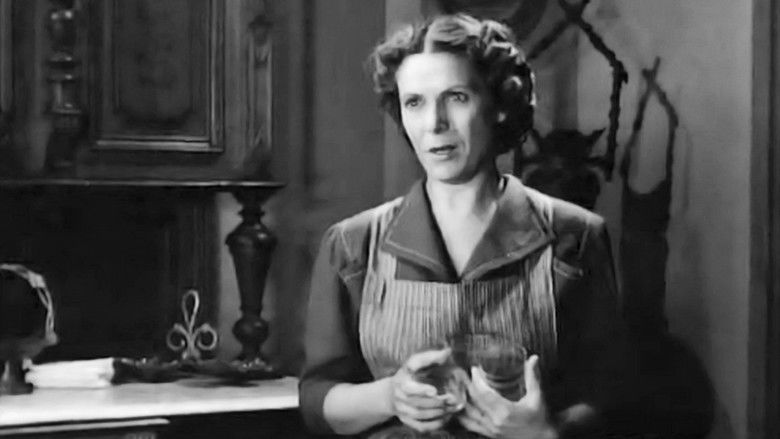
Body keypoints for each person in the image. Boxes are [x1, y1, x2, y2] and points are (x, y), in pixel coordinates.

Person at [299, 13, 628, 438]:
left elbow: (609, 396)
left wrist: (546, 433)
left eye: (455, 97)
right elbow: (318, 399)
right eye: (414, 102)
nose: (434, 123)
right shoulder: (352, 245)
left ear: (499, 106)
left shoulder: (574, 238)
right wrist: (390, 396)